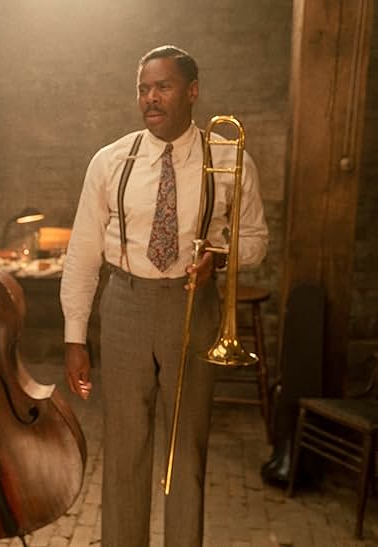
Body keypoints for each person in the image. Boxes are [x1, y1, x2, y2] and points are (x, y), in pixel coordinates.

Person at [61, 45, 268, 546]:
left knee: (187, 452)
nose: (150, 99)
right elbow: (83, 251)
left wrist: (218, 255)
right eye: (143, 89)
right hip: (126, 305)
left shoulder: (229, 158)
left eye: (163, 87)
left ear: (192, 91)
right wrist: (75, 336)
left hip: (193, 307)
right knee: (126, 451)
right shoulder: (111, 160)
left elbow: (257, 241)